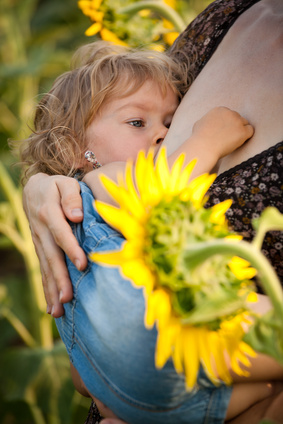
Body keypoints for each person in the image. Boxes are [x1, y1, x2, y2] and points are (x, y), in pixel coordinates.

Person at [21, 0, 283, 422]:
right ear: (76, 148)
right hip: (148, 347)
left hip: (132, 380)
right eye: (137, 123)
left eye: (169, 121)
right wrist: (206, 140)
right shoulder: (98, 183)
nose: (163, 135)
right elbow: (158, 191)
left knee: (261, 390)